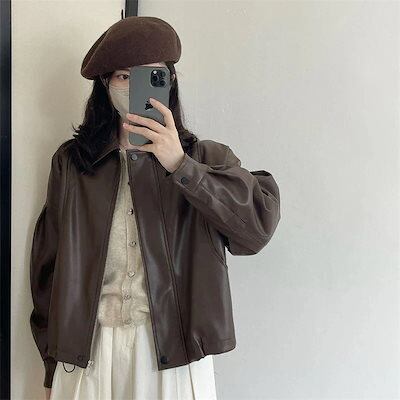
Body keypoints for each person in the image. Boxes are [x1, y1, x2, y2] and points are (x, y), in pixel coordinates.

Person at [29, 15, 281, 400]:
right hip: (85, 354)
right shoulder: (73, 163)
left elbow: (255, 231)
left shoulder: (205, 158)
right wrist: (50, 368)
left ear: (170, 82)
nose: (135, 87)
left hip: (173, 355)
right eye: (123, 76)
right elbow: (47, 268)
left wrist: (181, 165)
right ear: (105, 85)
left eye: (151, 76)